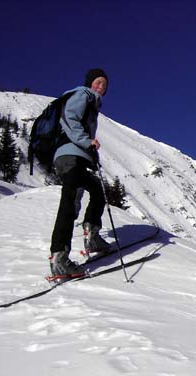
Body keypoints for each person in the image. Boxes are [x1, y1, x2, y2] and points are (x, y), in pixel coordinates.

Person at [49, 68, 114, 279]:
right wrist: (87, 142)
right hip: (69, 156)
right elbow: (69, 118)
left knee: (97, 191)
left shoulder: (92, 104)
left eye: (104, 84)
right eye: (98, 82)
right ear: (89, 83)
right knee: (70, 200)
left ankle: (92, 235)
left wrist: (89, 150)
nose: (101, 86)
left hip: (75, 156)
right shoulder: (82, 94)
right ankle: (59, 257)